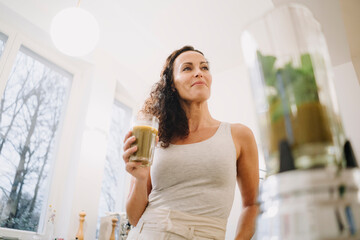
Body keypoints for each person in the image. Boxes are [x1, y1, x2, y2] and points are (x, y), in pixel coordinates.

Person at [122, 45, 259, 240]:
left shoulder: (239, 135)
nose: (199, 73)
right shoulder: (156, 138)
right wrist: (141, 178)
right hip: (147, 232)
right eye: (187, 68)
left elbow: (252, 205)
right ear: (171, 84)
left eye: (204, 68)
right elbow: (134, 217)